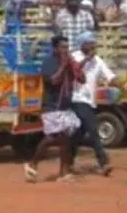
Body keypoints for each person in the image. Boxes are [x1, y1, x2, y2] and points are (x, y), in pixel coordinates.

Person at [24, 35, 83, 182]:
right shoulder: (48, 62)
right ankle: (33, 163)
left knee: (66, 139)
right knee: (53, 137)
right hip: (51, 106)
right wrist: (64, 66)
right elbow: (54, 81)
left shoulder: (69, 62)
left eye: (67, 47)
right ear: (55, 48)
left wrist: (75, 66)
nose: (66, 50)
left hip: (65, 106)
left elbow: (82, 79)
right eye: (63, 47)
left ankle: (63, 171)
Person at [69, 32, 115, 175]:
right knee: (93, 129)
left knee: (78, 134)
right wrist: (87, 59)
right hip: (77, 98)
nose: (93, 46)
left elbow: (109, 75)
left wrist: (120, 85)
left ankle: (68, 161)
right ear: (82, 44)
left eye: (94, 43)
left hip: (90, 100)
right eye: (90, 43)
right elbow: (73, 70)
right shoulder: (74, 57)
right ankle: (103, 162)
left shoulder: (97, 60)